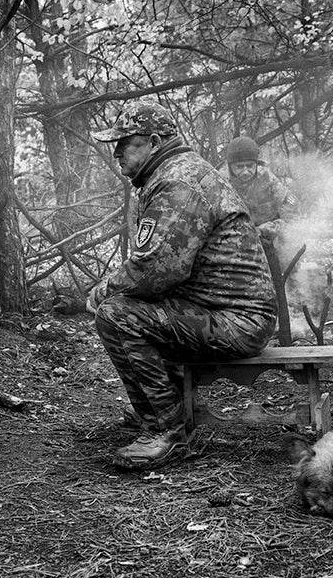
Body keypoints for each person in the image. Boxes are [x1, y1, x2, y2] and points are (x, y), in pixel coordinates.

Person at [87, 101, 277, 470]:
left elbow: (156, 271)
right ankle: (166, 409)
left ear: (154, 142)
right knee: (134, 309)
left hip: (238, 319)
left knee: (117, 316)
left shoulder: (178, 182)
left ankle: (166, 429)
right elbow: (160, 269)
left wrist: (102, 290)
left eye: (125, 143)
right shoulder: (174, 174)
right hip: (221, 309)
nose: (117, 152)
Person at [221, 136, 300, 242]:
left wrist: (265, 230)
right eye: (239, 167)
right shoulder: (220, 183)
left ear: (256, 164)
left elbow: (292, 216)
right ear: (230, 167)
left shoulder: (266, 178)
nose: (245, 172)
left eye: (250, 166)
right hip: (233, 242)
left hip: (268, 239)